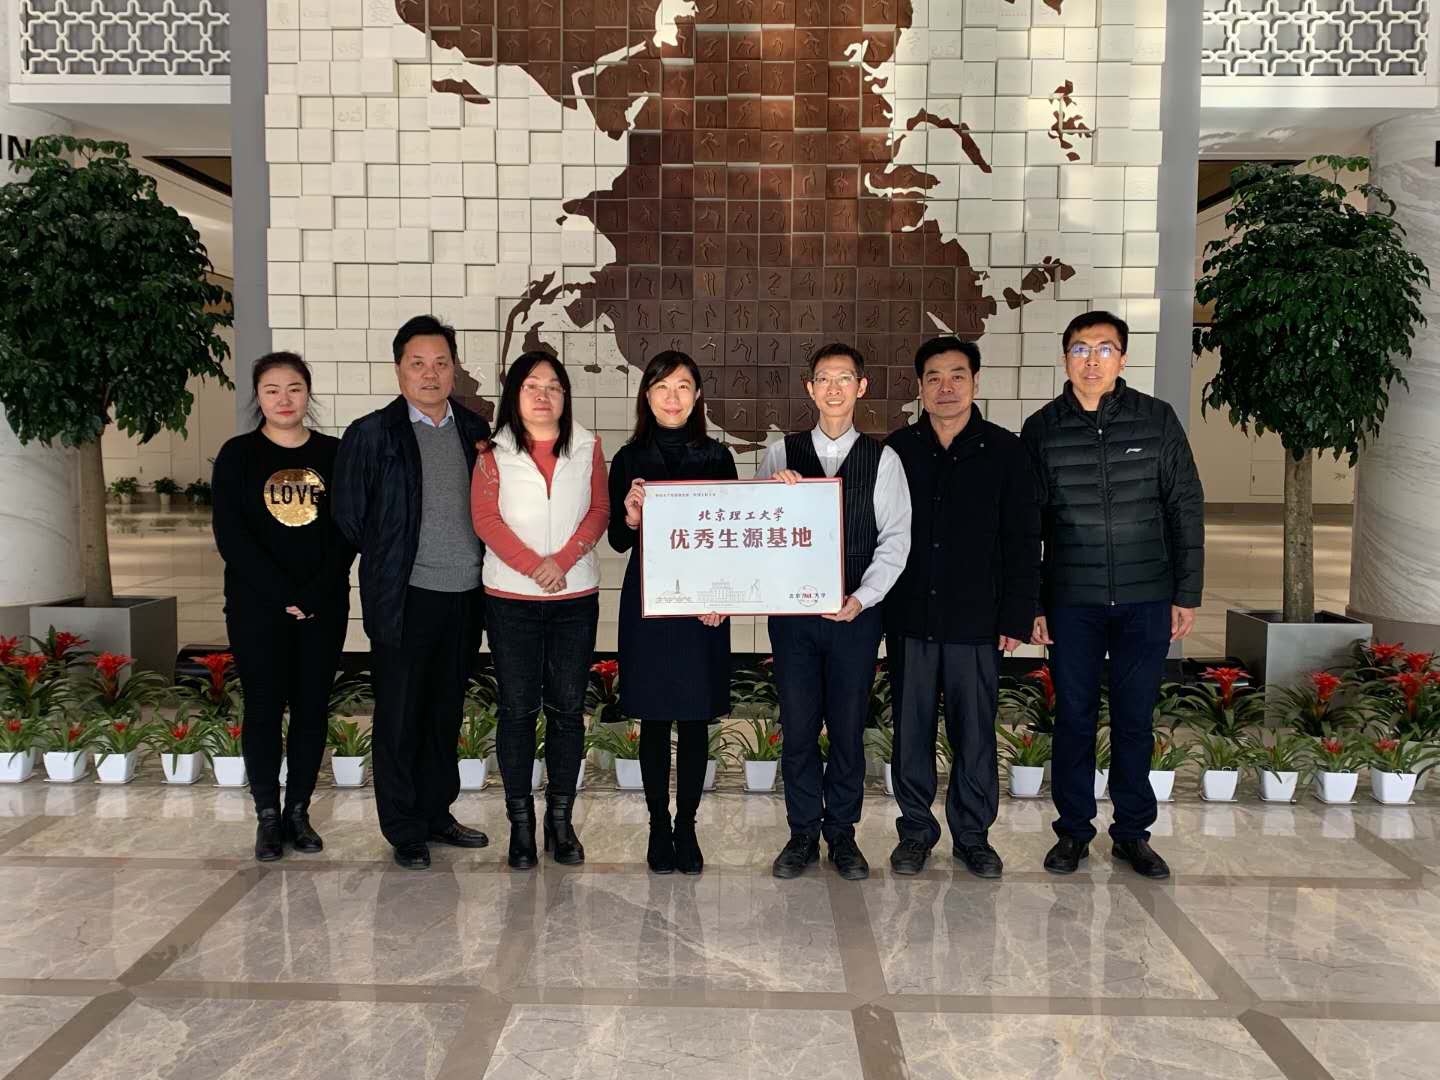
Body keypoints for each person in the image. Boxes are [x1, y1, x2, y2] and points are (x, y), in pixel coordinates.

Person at [1023, 310, 1204, 880]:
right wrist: (1034, 603)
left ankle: (1132, 833)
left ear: (1123, 358)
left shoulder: (1156, 419)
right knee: (1073, 719)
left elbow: (1185, 506)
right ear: (1065, 359)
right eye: (1081, 349)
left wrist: (1187, 592)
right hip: (1071, 599)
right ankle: (1073, 832)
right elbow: (1028, 525)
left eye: (1104, 348)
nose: (1092, 360)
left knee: (1133, 719)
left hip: (1145, 596)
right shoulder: (1042, 428)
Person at [333, 315, 493, 870]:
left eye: (441, 363)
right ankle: (403, 826)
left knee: (445, 710)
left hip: (465, 594)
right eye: (418, 364)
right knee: (400, 715)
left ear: (455, 369)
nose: (430, 374)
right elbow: (349, 517)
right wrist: (393, 559)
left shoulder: (476, 432)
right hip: (404, 596)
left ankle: (436, 812)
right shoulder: (371, 434)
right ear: (399, 369)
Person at [883, 337, 1041, 878]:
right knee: (911, 733)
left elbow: (1024, 539)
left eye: (957, 376)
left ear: (975, 382)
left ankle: (973, 836)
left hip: (978, 622)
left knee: (974, 735)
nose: (945, 387)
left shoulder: (1005, 451)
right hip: (910, 619)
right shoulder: (897, 451)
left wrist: (1017, 614)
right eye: (934, 377)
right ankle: (915, 833)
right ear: (919, 387)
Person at [760, 343, 912, 881]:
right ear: (809, 388)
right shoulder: (780, 453)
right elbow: (755, 531)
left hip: (855, 614)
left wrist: (862, 598)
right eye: (823, 378)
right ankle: (802, 832)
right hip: (793, 619)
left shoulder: (883, 459)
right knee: (799, 727)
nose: (833, 388)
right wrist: (772, 495)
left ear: (861, 387)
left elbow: (895, 540)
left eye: (844, 378)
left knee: (847, 728)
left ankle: (842, 833)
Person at [212, 352, 355, 861]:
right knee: (264, 708)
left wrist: (312, 594)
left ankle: (298, 811)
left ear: (307, 392)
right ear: (258, 396)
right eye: (272, 390)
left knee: (312, 708)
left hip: (322, 605)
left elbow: (348, 529)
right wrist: (282, 596)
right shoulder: (238, 455)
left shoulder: (335, 454)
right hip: (257, 607)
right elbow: (231, 536)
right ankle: (268, 816)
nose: (284, 399)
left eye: (294, 388)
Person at [471, 350, 610, 869]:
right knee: (517, 710)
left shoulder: (588, 446)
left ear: (565, 396)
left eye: (553, 385)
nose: (543, 395)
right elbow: (486, 519)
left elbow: (599, 510)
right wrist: (535, 567)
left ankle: (560, 821)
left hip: (574, 598)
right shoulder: (492, 451)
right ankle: (521, 826)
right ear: (515, 395)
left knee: (567, 711)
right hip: (511, 600)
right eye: (532, 385)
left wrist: (564, 561)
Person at [608, 351, 737, 875]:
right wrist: (631, 517)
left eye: (683, 386)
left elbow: (731, 537)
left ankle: (688, 826)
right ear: (647, 395)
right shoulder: (628, 458)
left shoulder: (717, 456)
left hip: (703, 607)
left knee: (695, 716)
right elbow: (618, 541)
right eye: (662, 386)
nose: (673, 396)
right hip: (650, 602)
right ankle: (658, 826)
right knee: (656, 718)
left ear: (697, 395)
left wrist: (723, 598)